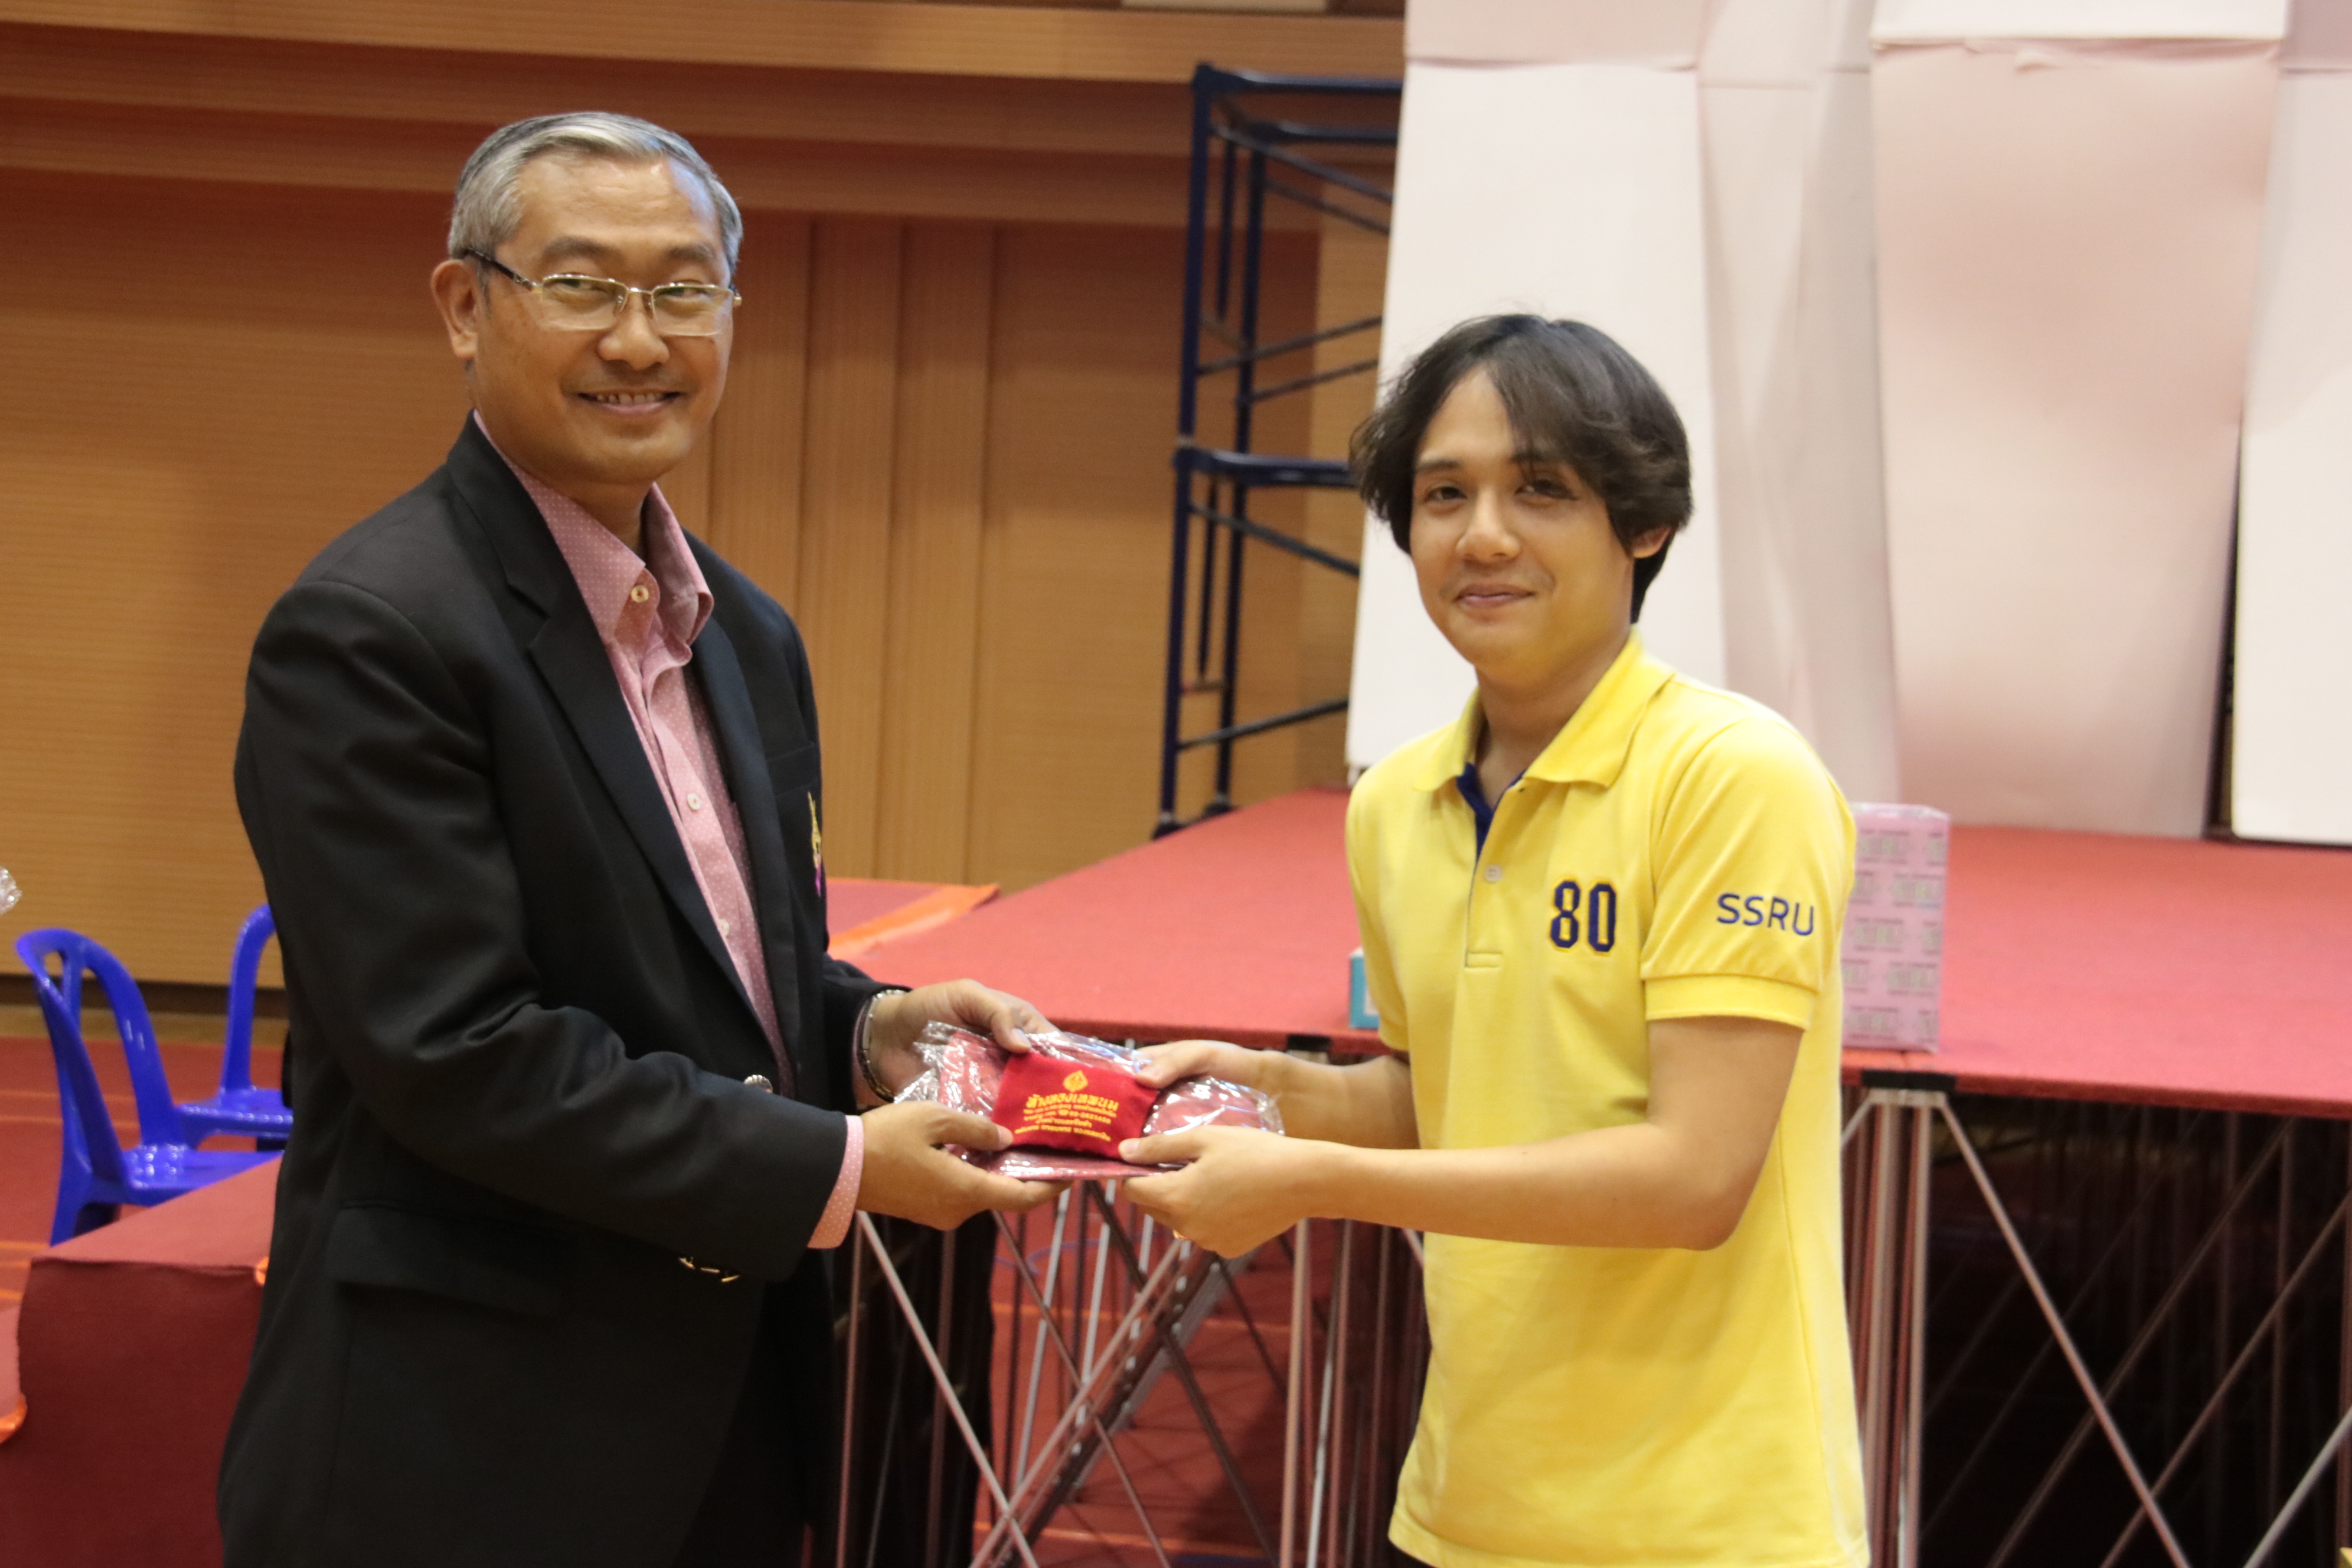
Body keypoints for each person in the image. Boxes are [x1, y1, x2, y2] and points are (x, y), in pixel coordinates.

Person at [221, 113, 1054, 1568]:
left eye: (683, 290)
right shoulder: (373, 630)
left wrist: (872, 1029)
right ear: (465, 307)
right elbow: (459, 1048)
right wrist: (840, 1165)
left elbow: (713, 980)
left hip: (726, 1408)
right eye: (583, 284)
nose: (638, 337)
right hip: (469, 1436)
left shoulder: (749, 633)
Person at [1123, 316, 1865, 1567]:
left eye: (1541, 490)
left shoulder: (1735, 775)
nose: (1482, 536)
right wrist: (1268, 1093)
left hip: (1711, 1528)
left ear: (1644, 523)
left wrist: (1310, 1181)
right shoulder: (1395, 802)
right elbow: (1442, 1101)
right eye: (1443, 495)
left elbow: (1695, 1177)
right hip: (1463, 1510)